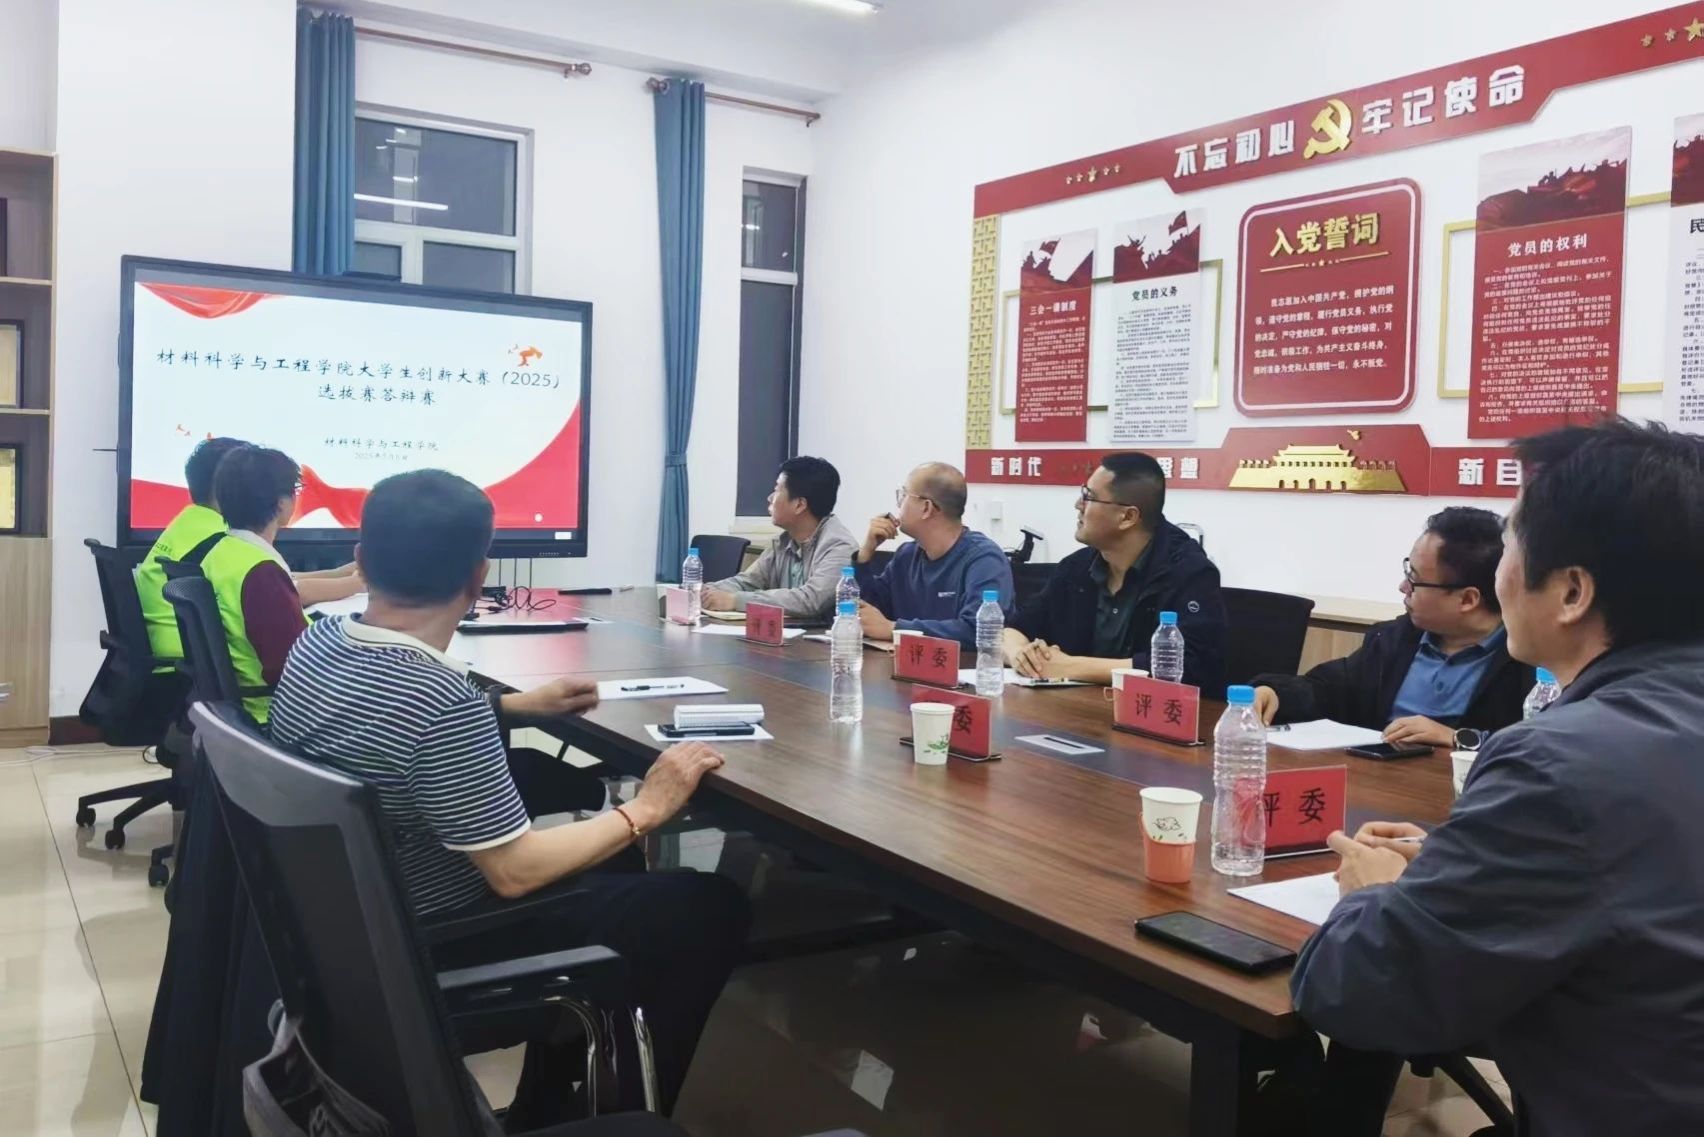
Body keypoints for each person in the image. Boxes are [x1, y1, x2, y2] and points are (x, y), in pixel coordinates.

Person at [268, 469, 749, 1122]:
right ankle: (618, 1119)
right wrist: (648, 806)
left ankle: (545, 1103)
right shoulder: (439, 700)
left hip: (354, 929)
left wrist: (512, 706)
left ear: (361, 560)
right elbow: (515, 871)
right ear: (479, 577)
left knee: (610, 857)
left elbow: (397, 725)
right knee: (711, 907)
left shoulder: (317, 641)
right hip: (438, 942)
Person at [1291, 420, 1704, 1137]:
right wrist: (1468, 863)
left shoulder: (1556, 764)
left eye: (1511, 543)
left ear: (1571, 591)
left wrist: (1378, 893)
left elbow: (1353, 991)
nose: (1498, 575)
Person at [1252, 506, 1532, 749]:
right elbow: (1328, 690)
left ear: (1467, 599)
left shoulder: (1528, 659)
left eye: (1414, 580)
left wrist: (1457, 738)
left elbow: (1540, 745)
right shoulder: (1395, 639)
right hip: (1380, 785)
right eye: (1407, 571)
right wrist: (1275, 693)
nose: (1402, 587)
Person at [1002, 453, 1226, 693]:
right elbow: (1013, 628)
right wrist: (1022, 656)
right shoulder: (1076, 568)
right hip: (1079, 707)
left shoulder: (1189, 573)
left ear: (1128, 517)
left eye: (1088, 497)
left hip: (1149, 710)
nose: (1078, 505)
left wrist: (1070, 667)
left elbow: (1189, 666)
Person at [195, 445, 313, 725]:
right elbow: (292, 669)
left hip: (239, 706)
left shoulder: (221, 552)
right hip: (271, 711)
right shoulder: (262, 572)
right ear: (282, 504)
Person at [853, 461, 1013, 648]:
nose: (899, 503)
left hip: (965, 665)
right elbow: (870, 615)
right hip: (904, 663)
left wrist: (895, 629)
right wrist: (865, 554)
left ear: (926, 508)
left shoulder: (984, 560)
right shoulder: (906, 555)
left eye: (904, 495)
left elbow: (978, 630)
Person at [703, 455, 856, 620]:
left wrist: (736, 601)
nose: (770, 498)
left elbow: (810, 600)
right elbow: (747, 582)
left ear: (799, 505)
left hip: (822, 636)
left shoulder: (840, 546)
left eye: (777, 490)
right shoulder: (783, 541)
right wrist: (706, 591)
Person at [137, 436, 248, 663]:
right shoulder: (220, 538)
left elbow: (276, 580)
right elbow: (269, 588)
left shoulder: (189, 523)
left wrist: (329, 575)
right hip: (190, 665)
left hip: (170, 656)